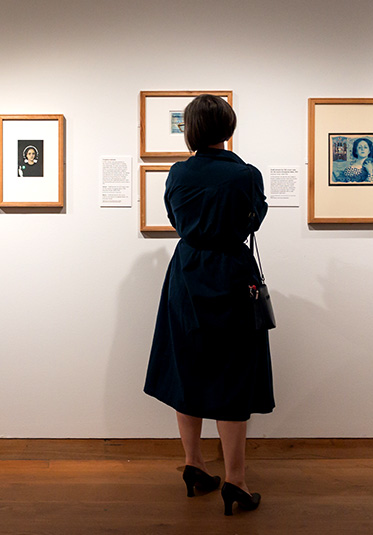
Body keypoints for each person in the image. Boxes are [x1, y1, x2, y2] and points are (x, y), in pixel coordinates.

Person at [143, 94, 274, 517]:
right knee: (234, 373)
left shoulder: (178, 175)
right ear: (228, 129)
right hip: (233, 274)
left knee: (188, 366)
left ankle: (194, 465)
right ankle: (235, 480)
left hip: (188, 272)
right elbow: (255, 219)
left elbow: (175, 220)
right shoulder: (247, 175)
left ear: (191, 132)